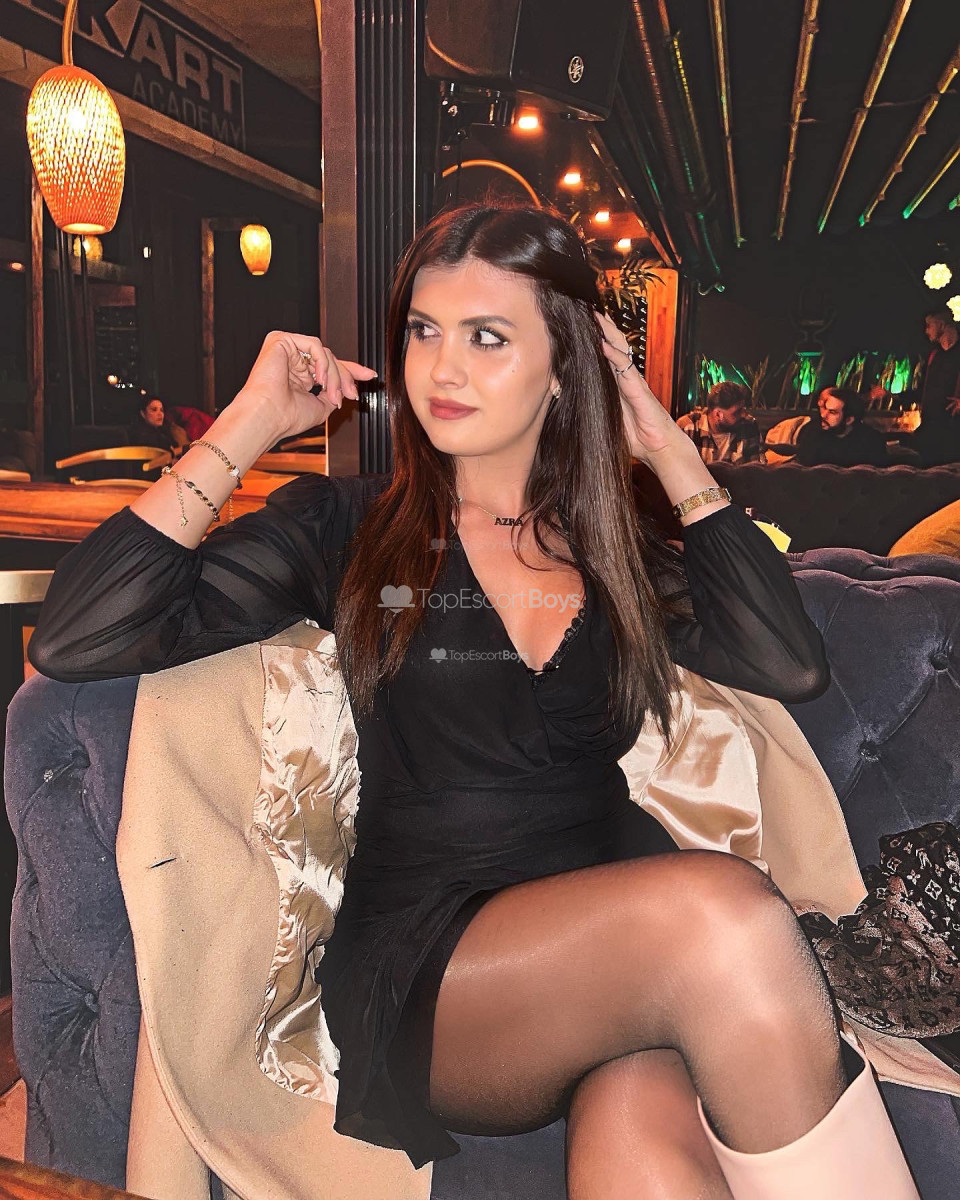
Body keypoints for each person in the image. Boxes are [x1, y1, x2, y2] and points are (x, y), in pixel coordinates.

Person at [29, 203, 922, 1199]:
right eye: (425, 331)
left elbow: (787, 662)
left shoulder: (615, 548)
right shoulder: (348, 530)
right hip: (439, 968)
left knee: (648, 1158)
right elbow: (79, 634)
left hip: (619, 952)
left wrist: (667, 447)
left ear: (564, 365)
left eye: (487, 337)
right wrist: (246, 426)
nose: (442, 370)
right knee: (729, 920)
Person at [906, 308, 960, 466]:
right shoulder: (933, 355)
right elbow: (923, 390)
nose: (926, 331)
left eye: (929, 325)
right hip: (930, 431)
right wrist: (890, 395)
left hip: (953, 433)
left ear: (941, 325)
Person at [793, 388, 888, 467]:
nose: (823, 415)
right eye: (825, 408)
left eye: (832, 412)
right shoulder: (811, 431)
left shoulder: (872, 441)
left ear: (849, 420)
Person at [677, 381, 764, 464]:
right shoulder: (687, 427)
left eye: (743, 409)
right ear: (717, 414)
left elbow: (757, 470)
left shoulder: (749, 426)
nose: (743, 414)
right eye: (737, 412)